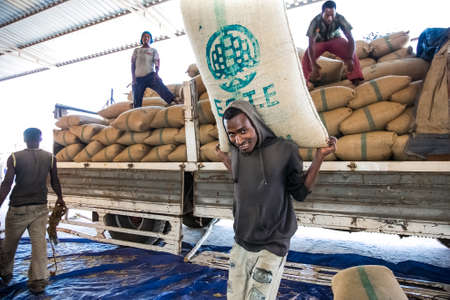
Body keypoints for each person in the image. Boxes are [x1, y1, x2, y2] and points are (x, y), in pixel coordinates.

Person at [215, 100, 336, 300]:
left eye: (243, 131)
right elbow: (239, 172)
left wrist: (319, 158)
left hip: (271, 245)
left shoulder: (284, 150)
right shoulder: (236, 152)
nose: (238, 139)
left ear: (255, 123)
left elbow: (300, 193)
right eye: (232, 134)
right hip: (241, 241)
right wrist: (223, 157)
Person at [0, 128, 65, 294]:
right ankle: (38, 281)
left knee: (10, 244)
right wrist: (60, 198)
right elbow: (55, 181)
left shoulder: (15, 157)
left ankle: (5, 273)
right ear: (41, 139)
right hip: (40, 208)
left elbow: (7, 184)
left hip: (18, 208)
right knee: (39, 246)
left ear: (24, 139)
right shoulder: (50, 158)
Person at [302, 0, 364, 86]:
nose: (330, 18)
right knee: (306, 58)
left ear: (335, 13)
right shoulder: (315, 21)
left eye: (332, 15)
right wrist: (314, 64)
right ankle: (304, 83)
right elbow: (311, 43)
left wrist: (349, 58)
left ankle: (356, 78)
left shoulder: (340, 18)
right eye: (327, 15)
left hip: (335, 40)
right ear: (322, 13)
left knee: (350, 50)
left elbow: (350, 39)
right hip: (319, 42)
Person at [131, 31, 178, 108]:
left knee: (160, 85)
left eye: (148, 37)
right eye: (144, 36)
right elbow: (132, 64)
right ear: (141, 39)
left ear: (150, 39)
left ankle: (174, 100)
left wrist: (156, 74)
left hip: (150, 76)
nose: (146, 38)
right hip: (138, 78)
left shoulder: (153, 50)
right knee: (136, 99)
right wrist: (133, 78)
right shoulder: (136, 50)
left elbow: (157, 62)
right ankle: (136, 110)